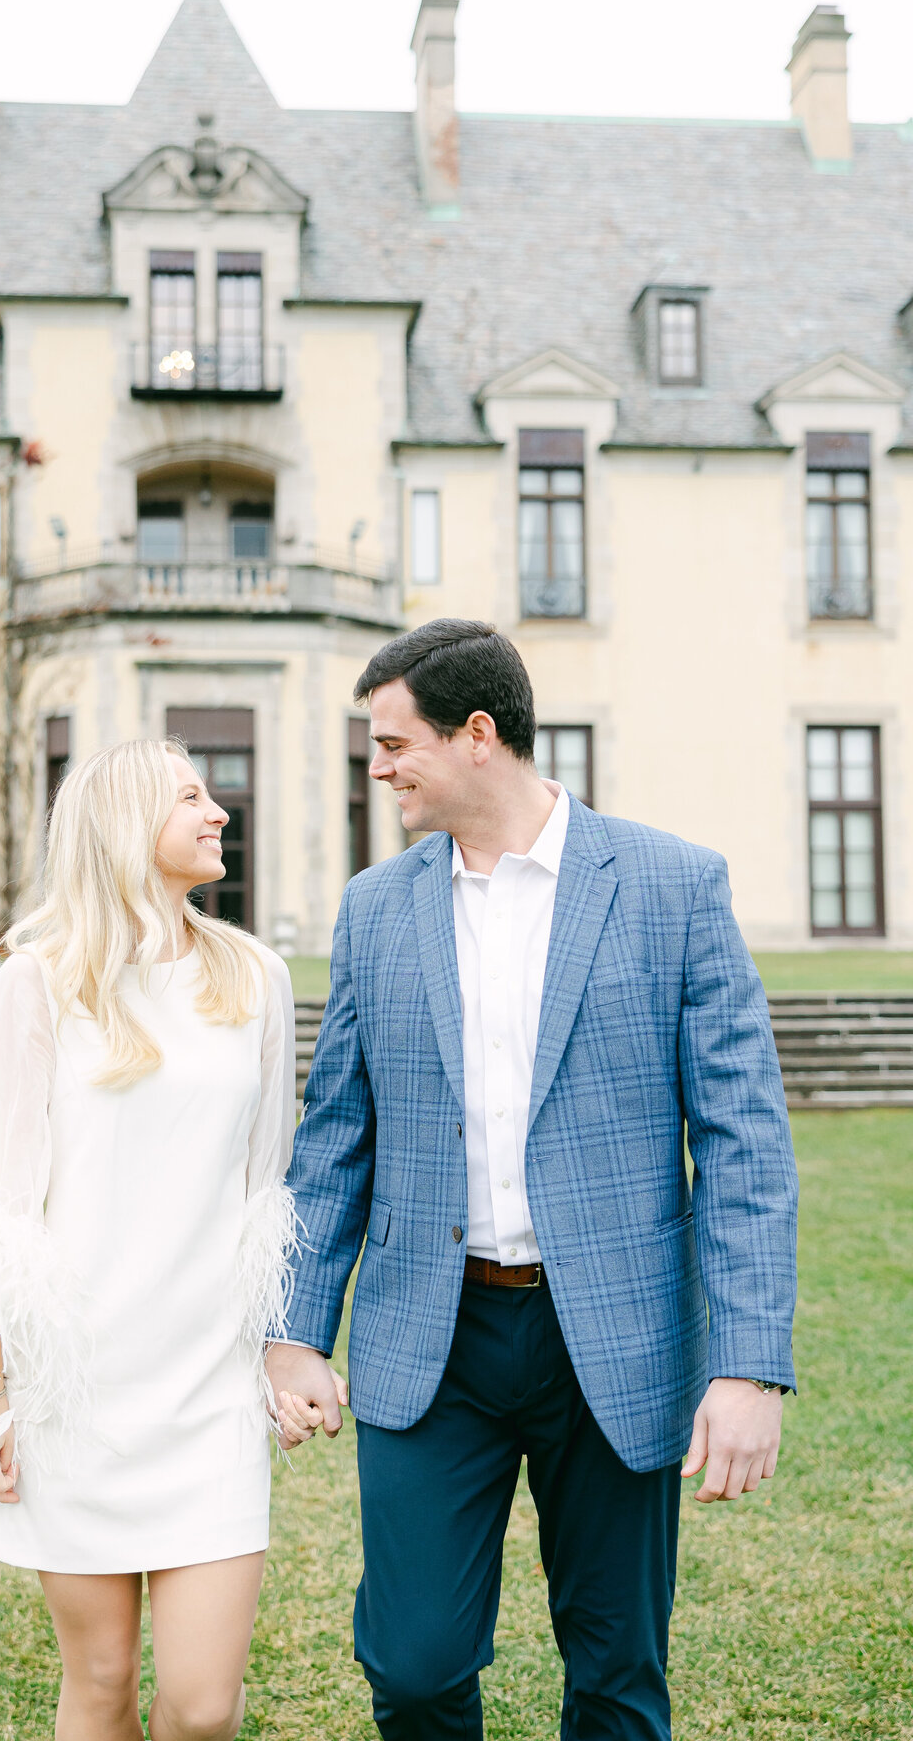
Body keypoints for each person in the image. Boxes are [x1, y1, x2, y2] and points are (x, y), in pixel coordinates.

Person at [268, 618, 798, 1741]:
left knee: (615, 1675)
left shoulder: (673, 886)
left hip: (612, 1336)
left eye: (394, 741)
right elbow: (335, 1139)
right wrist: (296, 1328)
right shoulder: (375, 911)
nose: (380, 766)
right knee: (411, 1667)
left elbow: (744, 1139)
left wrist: (750, 1363)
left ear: (476, 735)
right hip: (432, 1339)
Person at [0, 739, 298, 1741]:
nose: (219, 811)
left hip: (207, 1397)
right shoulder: (35, 988)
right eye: (190, 797)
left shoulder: (256, 979)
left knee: (204, 1707)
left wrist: (277, 1346)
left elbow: (266, 1191)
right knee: (100, 1682)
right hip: (72, 1402)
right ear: (126, 826)